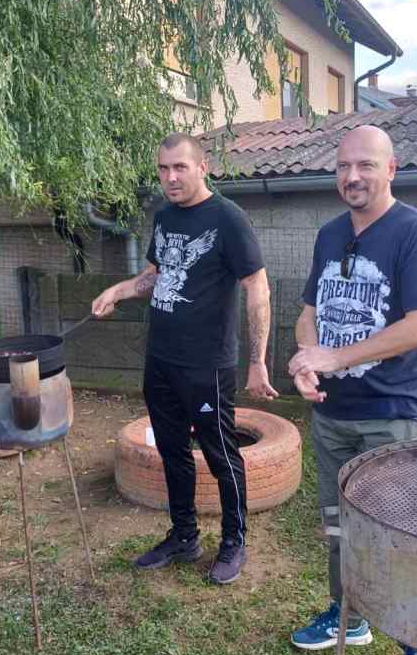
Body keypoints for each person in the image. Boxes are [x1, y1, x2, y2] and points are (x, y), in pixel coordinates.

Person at [287, 124, 417, 655]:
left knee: (402, 538)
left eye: (364, 165)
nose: (351, 176)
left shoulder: (415, 233)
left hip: (395, 417)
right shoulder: (330, 234)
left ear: (391, 169)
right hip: (334, 414)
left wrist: (336, 357)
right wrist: (307, 358)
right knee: (339, 528)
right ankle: (349, 614)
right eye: (342, 167)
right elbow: (309, 312)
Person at [92, 132, 278, 584]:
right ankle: (184, 535)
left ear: (202, 167)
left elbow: (257, 286)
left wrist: (257, 361)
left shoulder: (228, 218)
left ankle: (233, 541)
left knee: (220, 454)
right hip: (161, 359)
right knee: (172, 449)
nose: (170, 177)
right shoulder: (165, 216)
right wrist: (118, 291)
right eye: (163, 169)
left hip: (206, 364)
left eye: (179, 167)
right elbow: (156, 275)